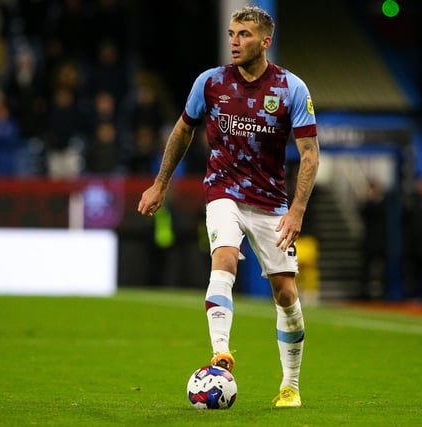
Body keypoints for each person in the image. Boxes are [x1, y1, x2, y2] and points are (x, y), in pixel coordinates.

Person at [137, 6, 319, 407]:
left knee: (285, 293)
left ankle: (291, 385)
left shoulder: (291, 89)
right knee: (224, 258)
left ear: (265, 41)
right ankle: (221, 352)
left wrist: (298, 209)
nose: (234, 41)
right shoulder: (210, 83)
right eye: (232, 33)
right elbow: (183, 130)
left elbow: (309, 153)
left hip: (271, 202)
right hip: (223, 190)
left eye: (244, 35)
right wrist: (160, 184)